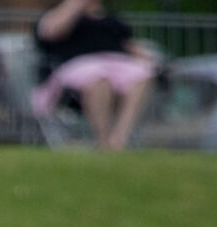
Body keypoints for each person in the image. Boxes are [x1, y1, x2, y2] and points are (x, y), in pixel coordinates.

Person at [32, 0, 159, 151]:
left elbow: (128, 45)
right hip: (77, 68)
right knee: (99, 78)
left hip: (118, 67)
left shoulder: (112, 20)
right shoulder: (57, 15)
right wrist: (75, 5)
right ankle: (103, 139)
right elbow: (50, 32)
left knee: (141, 75)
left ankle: (119, 138)